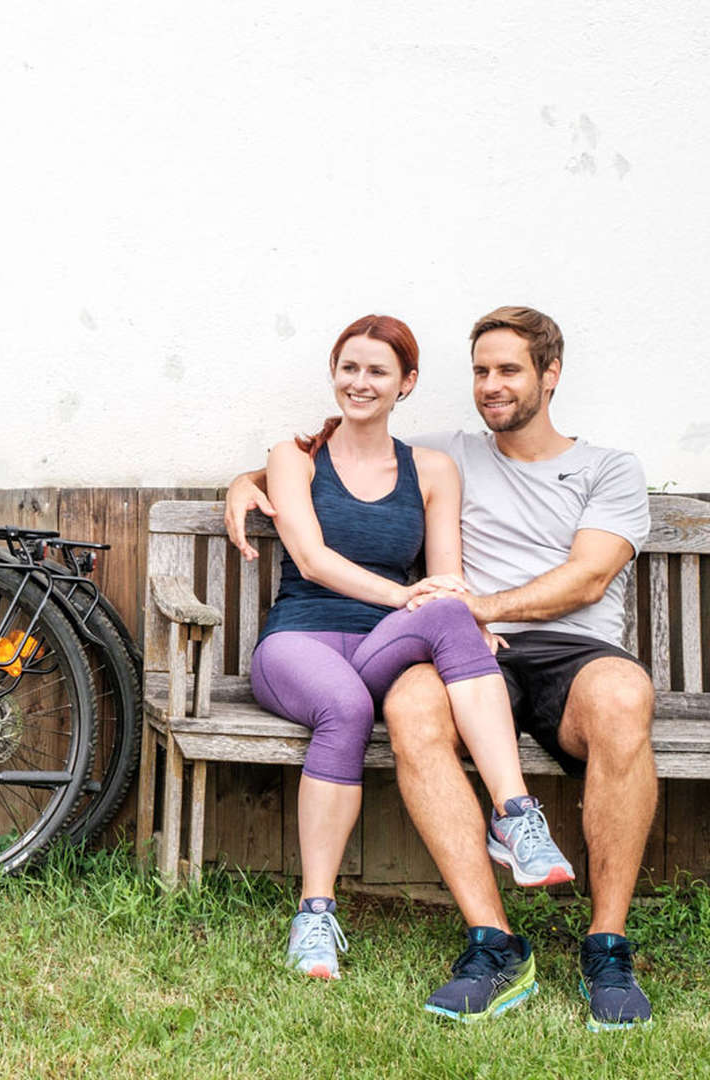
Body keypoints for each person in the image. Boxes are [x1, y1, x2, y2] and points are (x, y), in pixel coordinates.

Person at [226, 306, 653, 1030]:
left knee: (621, 697)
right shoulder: (443, 450)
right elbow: (325, 457)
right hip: (436, 639)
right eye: (482, 370)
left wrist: (468, 607)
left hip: (557, 649)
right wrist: (246, 479)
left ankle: (605, 946)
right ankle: (493, 940)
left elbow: (584, 581)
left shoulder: (601, 467)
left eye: (509, 370)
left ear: (551, 376)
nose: (492, 384)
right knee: (405, 706)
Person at [249, 314, 572, 984]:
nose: (359, 383)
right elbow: (310, 560)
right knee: (344, 707)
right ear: (334, 372)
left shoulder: (430, 469)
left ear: (407, 384)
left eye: (377, 371)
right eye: (349, 367)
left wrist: (458, 613)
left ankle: (514, 816)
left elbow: (446, 579)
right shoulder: (294, 458)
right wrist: (405, 597)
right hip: (299, 643)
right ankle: (314, 914)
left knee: (451, 608)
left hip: (376, 649)